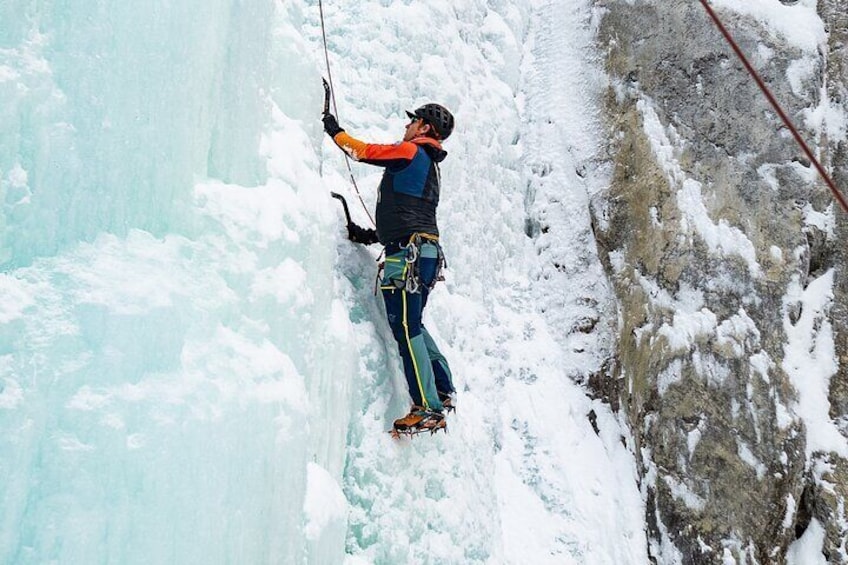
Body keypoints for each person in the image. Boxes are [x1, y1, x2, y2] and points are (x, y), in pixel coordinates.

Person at [322, 102, 457, 434]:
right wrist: (368, 236)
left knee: (407, 328)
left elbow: (364, 151)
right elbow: (406, 213)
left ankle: (428, 406)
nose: (407, 126)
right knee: (413, 324)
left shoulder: (411, 152)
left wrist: (333, 129)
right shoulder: (428, 166)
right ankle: (441, 387)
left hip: (409, 255)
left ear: (424, 128)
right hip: (420, 253)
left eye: (413, 121)